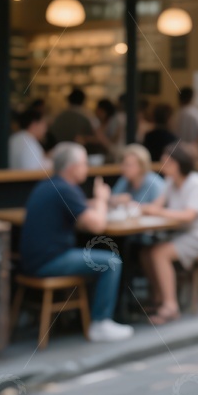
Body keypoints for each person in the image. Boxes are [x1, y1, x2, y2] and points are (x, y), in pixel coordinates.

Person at [19, 143, 134, 342]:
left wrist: (102, 203)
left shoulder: (49, 185)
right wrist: (101, 198)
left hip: (30, 261)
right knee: (111, 261)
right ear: (72, 167)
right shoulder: (66, 189)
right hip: (48, 261)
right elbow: (97, 225)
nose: (87, 168)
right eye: (84, 163)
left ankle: (83, 317)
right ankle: (100, 323)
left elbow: (81, 211)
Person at [140, 143, 198, 325]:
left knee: (159, 253)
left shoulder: (196, 183)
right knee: (146, 252)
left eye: (165, 162)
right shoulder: (170, 182)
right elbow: (156, 206)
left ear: (177, 164)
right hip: (181, 234)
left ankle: (171, 306)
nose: (162, 167)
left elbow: (188, 215)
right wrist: (141, 207)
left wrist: (157, 212)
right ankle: (159, 297)